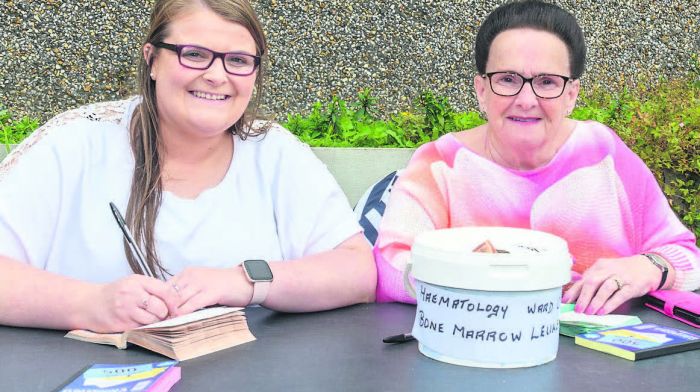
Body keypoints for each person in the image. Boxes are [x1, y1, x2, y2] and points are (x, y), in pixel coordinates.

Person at [0, 0, 375, 333]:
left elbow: (357, 271)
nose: (216, 75)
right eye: (194, 54)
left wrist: (246, 281)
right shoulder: (73, 144)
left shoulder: (275, 152)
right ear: (151, 60)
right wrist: (89, 304)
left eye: (238, 61)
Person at [374, 0, 700, 314]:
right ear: (481, 91)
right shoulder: (440, 164)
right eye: (508, 80)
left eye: (547, 82)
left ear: (571, 95)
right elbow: (390, 269)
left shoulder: (603, 154)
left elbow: (685, 254)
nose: (526, 99)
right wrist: (510, 282)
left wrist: (648, 266)